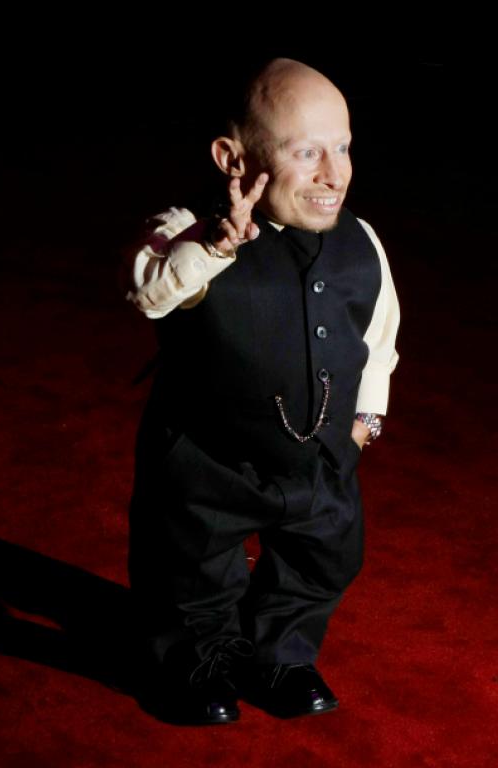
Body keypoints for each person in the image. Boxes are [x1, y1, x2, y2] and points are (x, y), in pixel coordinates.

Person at [124, 57, 400, 725]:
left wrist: (365, 423)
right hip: (209, 459)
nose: (334, 173)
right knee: (192, 566)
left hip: (321, 456)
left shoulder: (360, 240)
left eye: (343, 148)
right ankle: (194, 660)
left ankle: (277, 654)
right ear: (233, 158)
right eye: (306, 153)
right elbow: (150, 293)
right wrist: (216, 248)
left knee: (325, 558)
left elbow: (379, 337)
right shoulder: (190, 230)